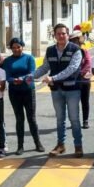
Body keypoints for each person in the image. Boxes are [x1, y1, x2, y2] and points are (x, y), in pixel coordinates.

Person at [34, 23, 84, 158]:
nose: (61, 36)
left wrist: (53, 78)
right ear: (54, 35)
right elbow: (44, 67)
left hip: (72, 89)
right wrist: (30, 76)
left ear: (68, 35)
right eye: (58, 34)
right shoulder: (50, 50)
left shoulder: (76, 50)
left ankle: (78, 146)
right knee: (60, 118)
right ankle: (60, 145)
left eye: (64, 33)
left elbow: (72, 69)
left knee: (74, 119)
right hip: (56, 90)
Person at [2, 38, 44, 154]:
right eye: (13, 47)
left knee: (31, 118)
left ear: (22, 47)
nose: (16, 49)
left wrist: (22, 79)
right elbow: (7, 75)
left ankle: (38, 143)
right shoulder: (8, 61)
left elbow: (32, 72)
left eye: (18, 47)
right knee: (19, 119)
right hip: (14, 92)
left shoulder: (29, 58)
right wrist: (13, 80)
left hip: (28, 90)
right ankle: (20, 146)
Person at [70, 30, 92, 129]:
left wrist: (79, 74)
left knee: (85, 101)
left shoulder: (84, 51)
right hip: (72, 81)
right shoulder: (69, 52)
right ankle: (74, 120)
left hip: (83, 80)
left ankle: (85, 120)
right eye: (72, 41)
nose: (74, 42)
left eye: (75, 40)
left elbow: (88, 64)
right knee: (73, 102)